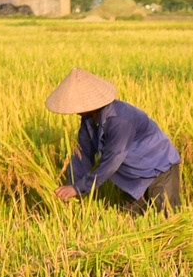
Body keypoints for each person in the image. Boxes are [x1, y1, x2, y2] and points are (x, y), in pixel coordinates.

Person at [45, 67, 181, 214]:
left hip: (159, 169)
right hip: (134, 178)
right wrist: (71, 185)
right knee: (130, 221)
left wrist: (79, 187)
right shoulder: (88, 119)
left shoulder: (120, 120)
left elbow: (111, 162)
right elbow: (83, 153)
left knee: (167, 216)